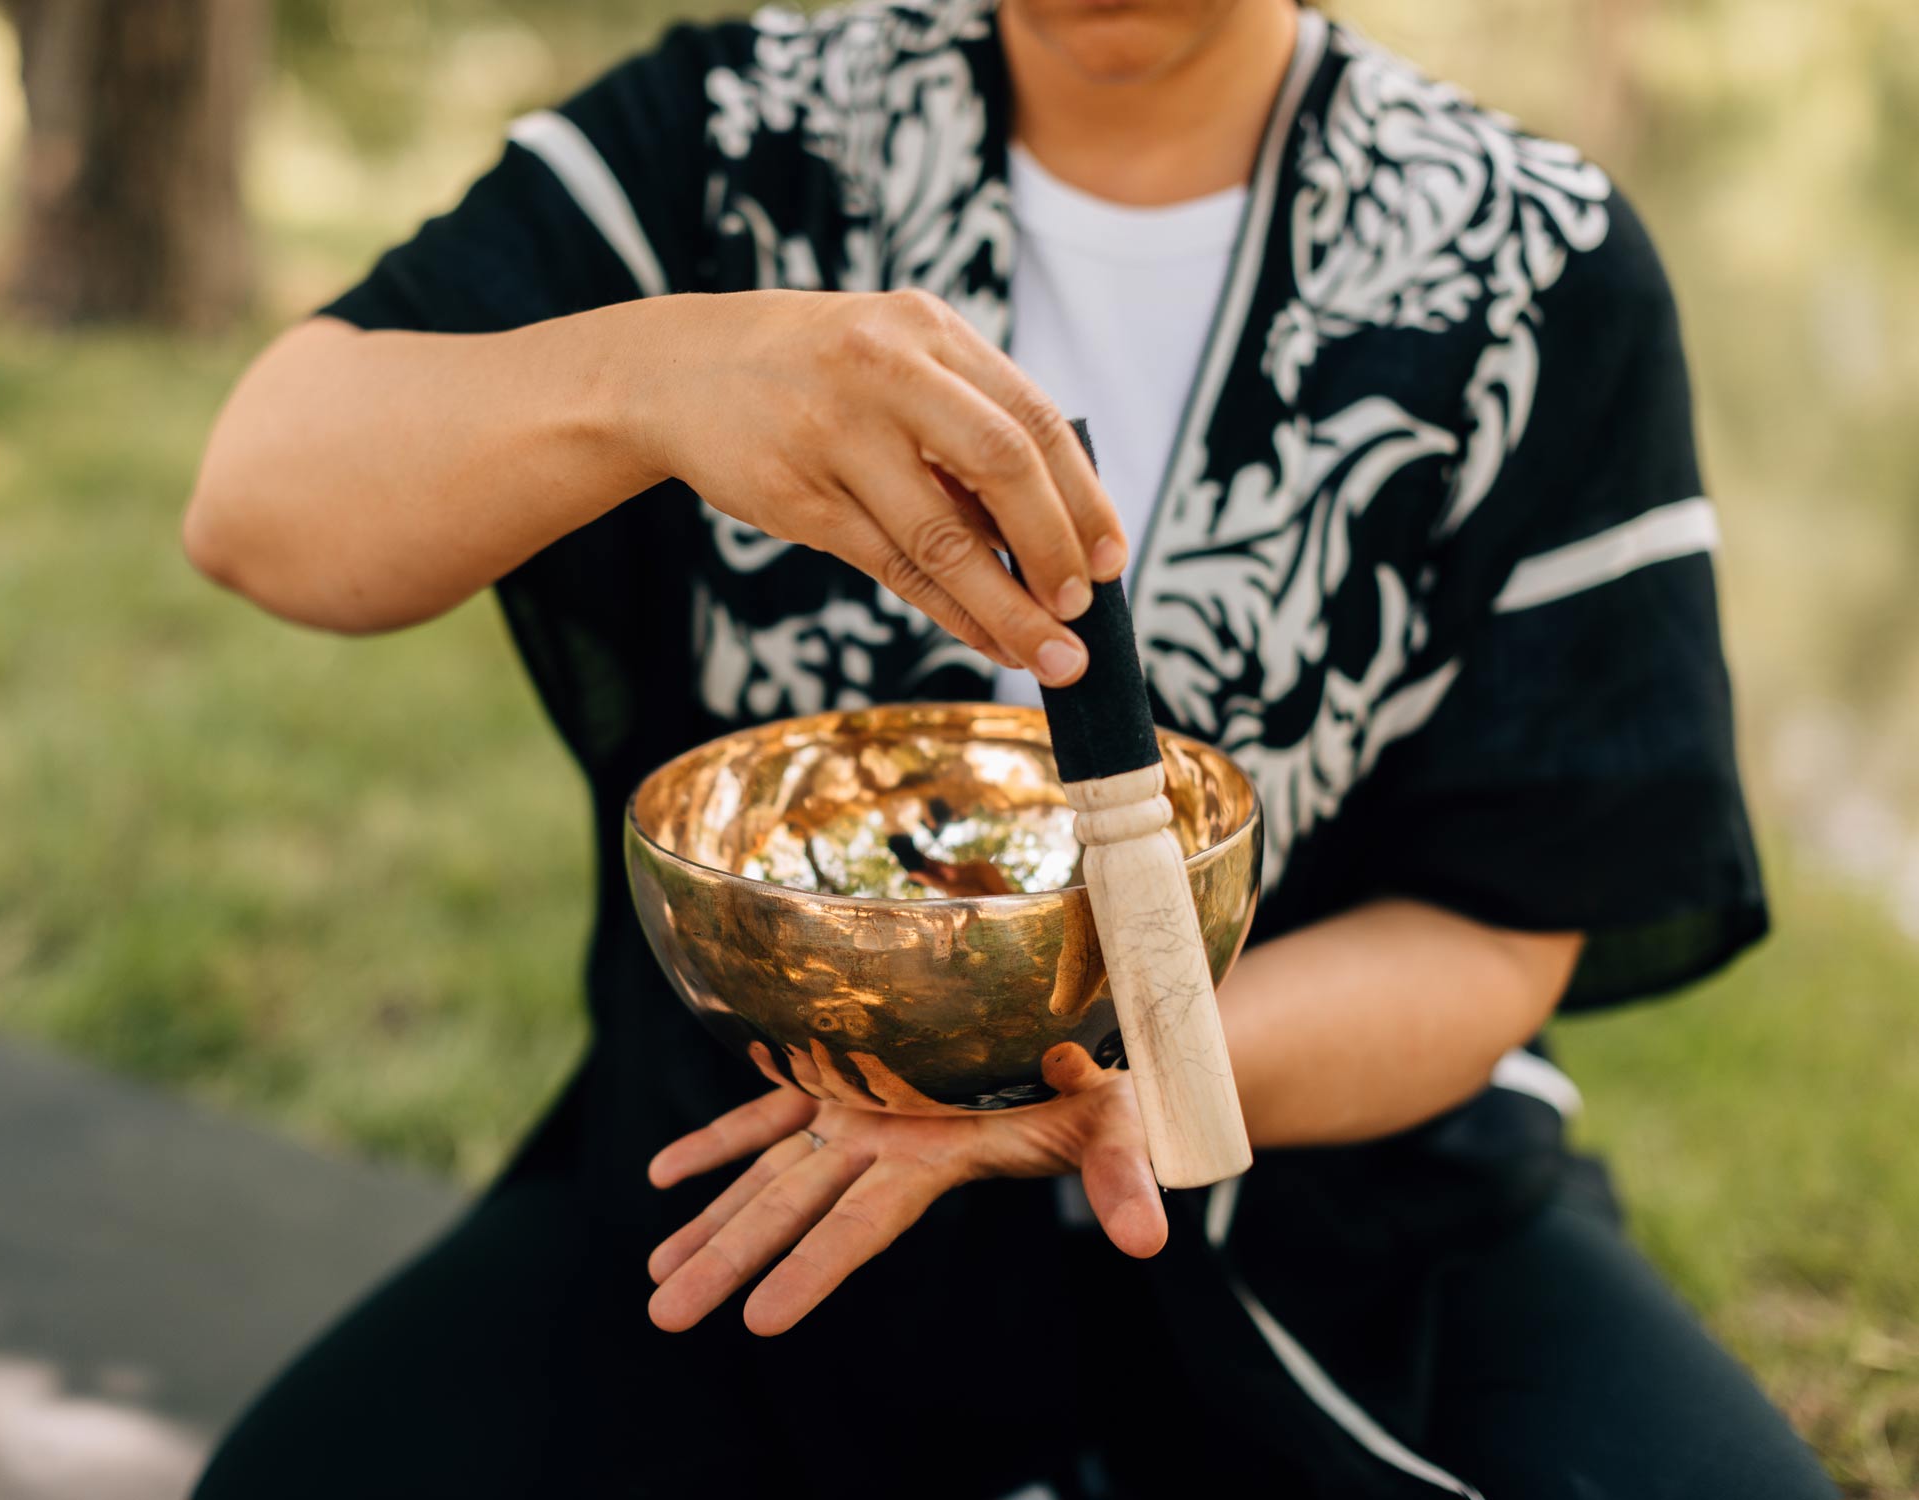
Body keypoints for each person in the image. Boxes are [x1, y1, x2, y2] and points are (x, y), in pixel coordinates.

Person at [180, 2, 1837, 1495]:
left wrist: (1126, 1082)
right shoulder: (738, 136)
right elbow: (260, 503)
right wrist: (643, 376)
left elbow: (1495, 928)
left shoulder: (1527, 259)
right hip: (760, 1164)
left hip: (1343, 1199)